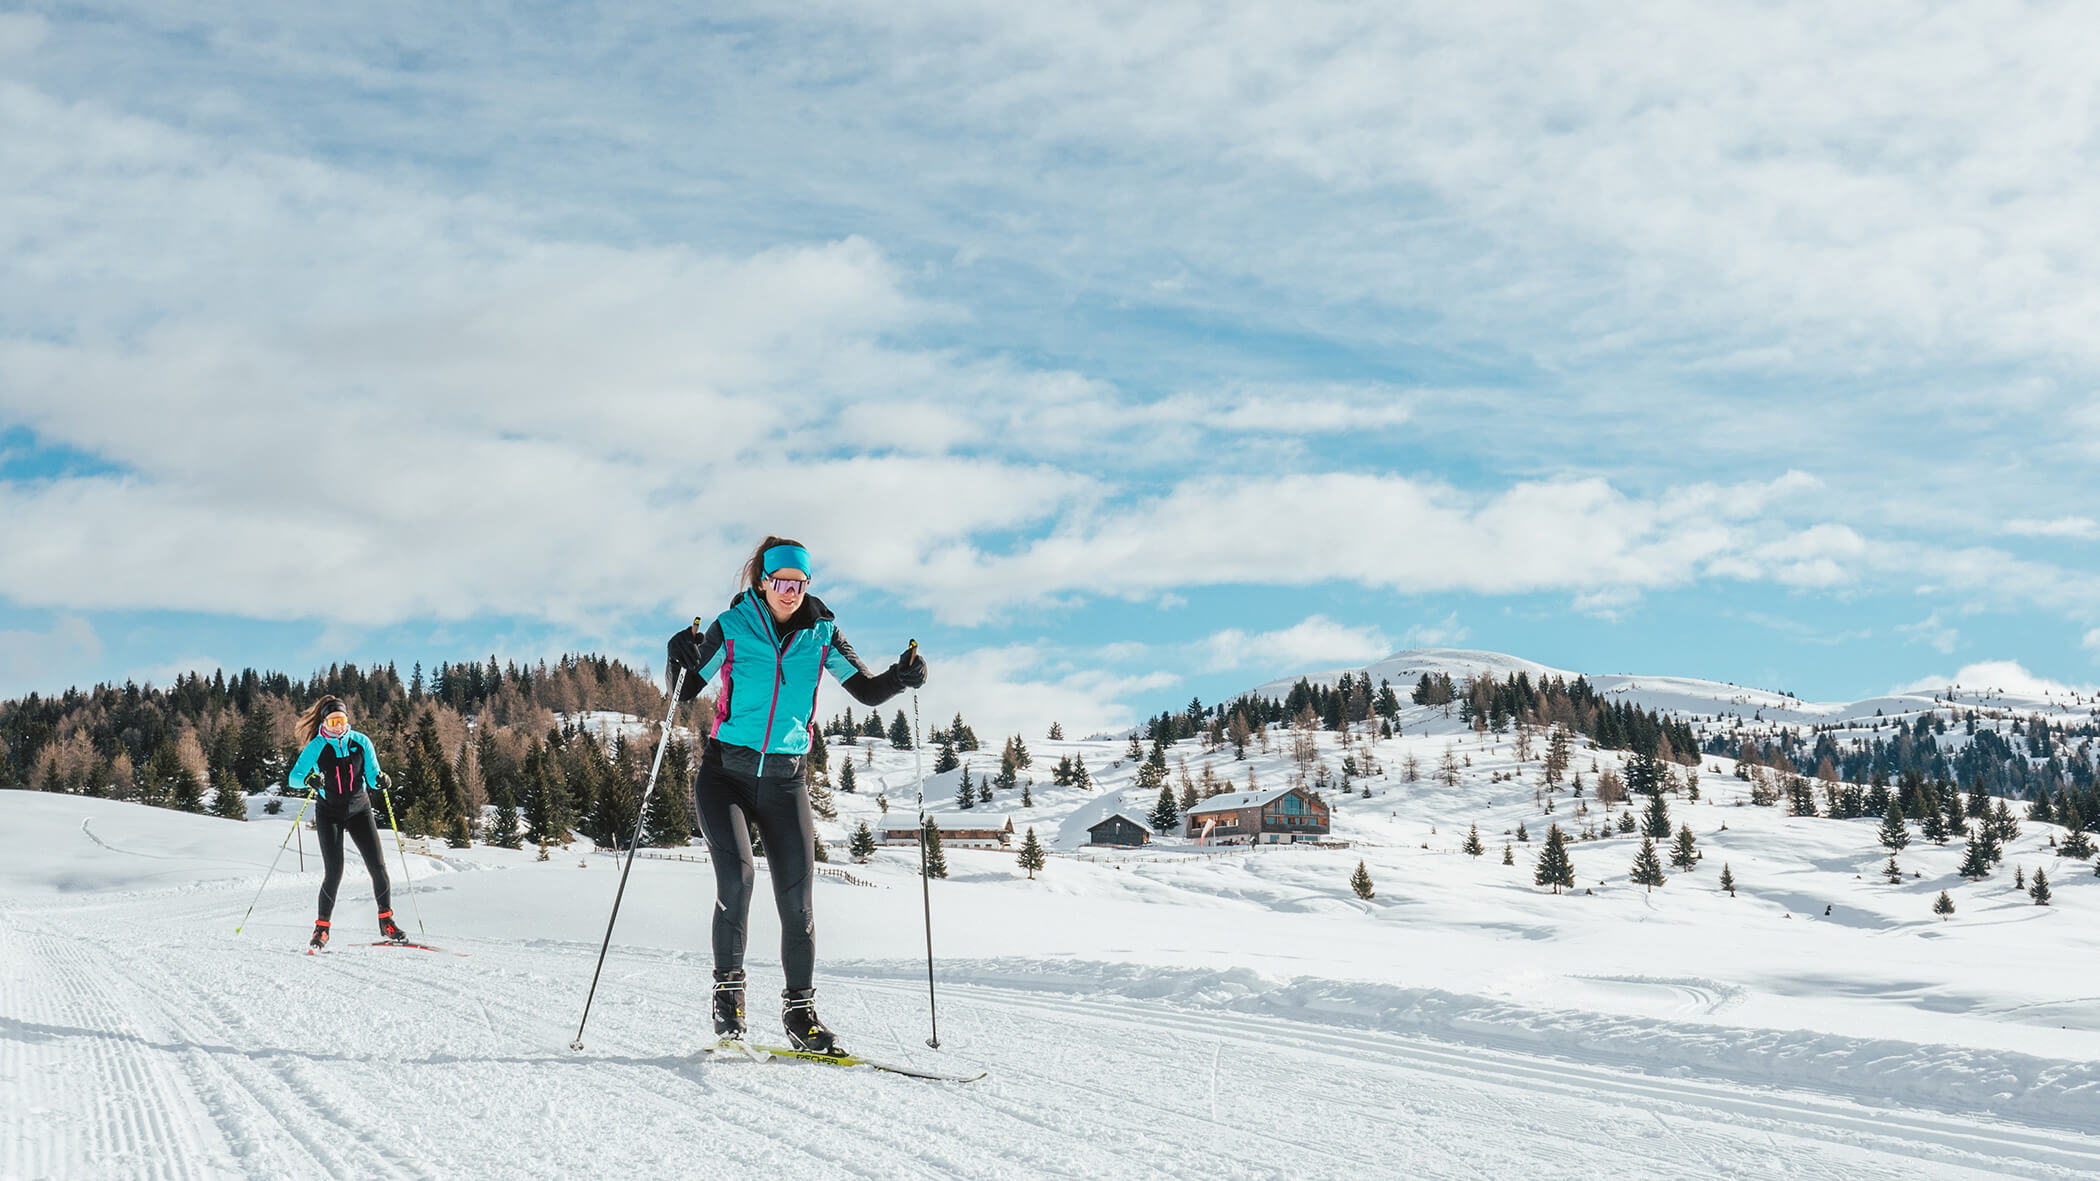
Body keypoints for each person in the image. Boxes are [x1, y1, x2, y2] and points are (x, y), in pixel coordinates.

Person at [665, 536, 927, 1054]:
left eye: (798, 583)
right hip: (726, 776)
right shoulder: (733, 624)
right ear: (762, 582)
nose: (789, 591)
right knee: (737, 879)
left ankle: (801, 1014)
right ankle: (729, 1001)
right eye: (780, 581)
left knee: (798, 904)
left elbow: (868, 691)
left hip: (786, 781)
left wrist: (902, 677)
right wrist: (676, 656)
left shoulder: (823, 633)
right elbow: (683, 691)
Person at [286, 696, 406, 950]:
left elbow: (373, 777)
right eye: (333, 721)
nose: (338, 726)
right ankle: (321, 930)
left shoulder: (361, 742)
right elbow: (294, 778)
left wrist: (383, 780)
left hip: (359, 810)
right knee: (334, 872)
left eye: (342, 720)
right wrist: (309, 780)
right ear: (325, 722)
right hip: (329, 813)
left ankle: (387, 921)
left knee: (377, 865)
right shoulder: (317, 745)